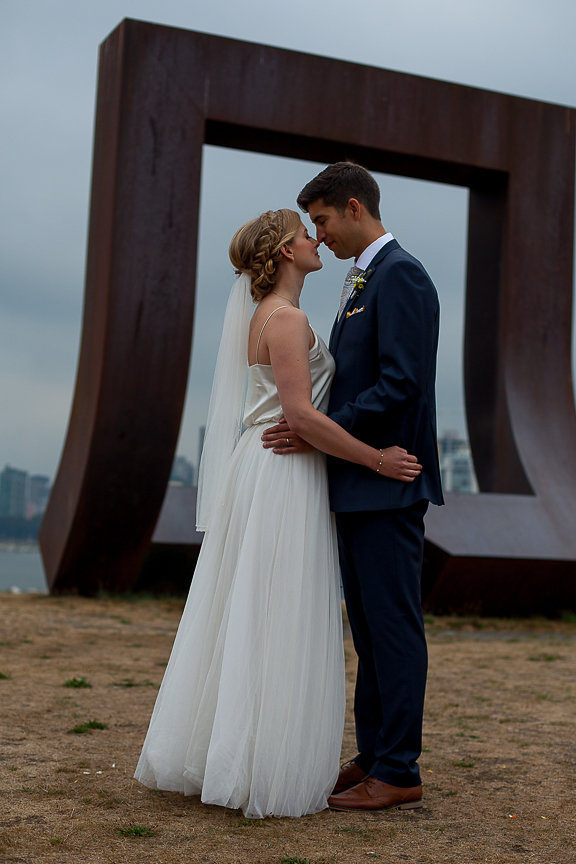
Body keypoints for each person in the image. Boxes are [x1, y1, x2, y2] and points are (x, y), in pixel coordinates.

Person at [134, 208, 422, 819]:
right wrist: (378, 460)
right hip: (283, 473)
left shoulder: (272, 316)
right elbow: (302, 418)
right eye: (305, 232)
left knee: (259, 611)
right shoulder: (286, 319)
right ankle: (264, 764)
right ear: (286, 253)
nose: (316, 239)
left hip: (274, 468)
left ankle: (255, 752)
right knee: (278, 611)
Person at [262, 164, 444, 812]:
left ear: (352, 207)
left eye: (323, 221)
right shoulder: (361, 279)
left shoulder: (402, 274)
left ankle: (398, 770)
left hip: (388, 481)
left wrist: (321, 432)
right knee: (368, 631)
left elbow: (401, 383)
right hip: (358, 483)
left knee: (392, 630)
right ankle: (373, 755)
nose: (321, 233)